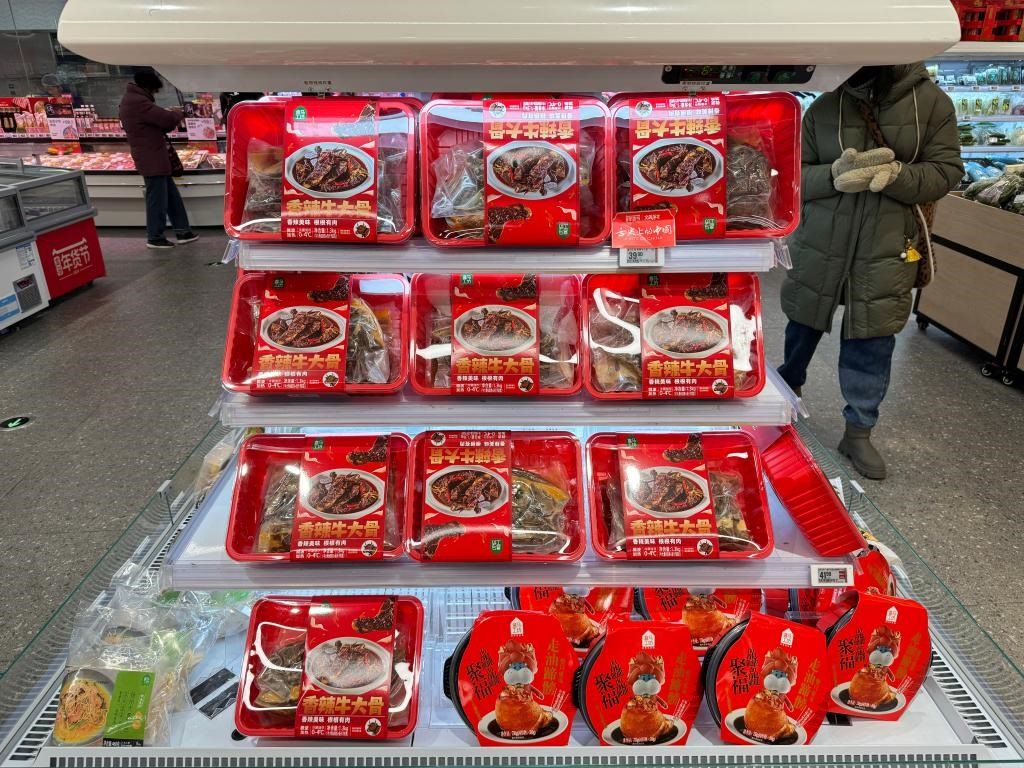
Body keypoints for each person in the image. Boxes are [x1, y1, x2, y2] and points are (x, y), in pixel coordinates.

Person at [779, 63, 963, 480]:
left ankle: (859, 431)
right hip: (821, 240)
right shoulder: (826, 105)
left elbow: (947, 171)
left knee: (873, 337)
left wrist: (898, 176)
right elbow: (792, 174)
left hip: (888, 245)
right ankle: (786, 391)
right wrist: (833, 176)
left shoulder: (931, 104)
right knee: (802, 323)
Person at [118, 69, 198, 249]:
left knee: (171, 197)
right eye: (155, 90)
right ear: (149, 86)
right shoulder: (138, 102)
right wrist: (179, 113)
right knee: (157, 200)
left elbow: (157, 123)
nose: (155, 93)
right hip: (151, 157)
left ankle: (183, 231)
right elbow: (166, 119)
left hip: (154, 156)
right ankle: (155, 237)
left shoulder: (133, 99)